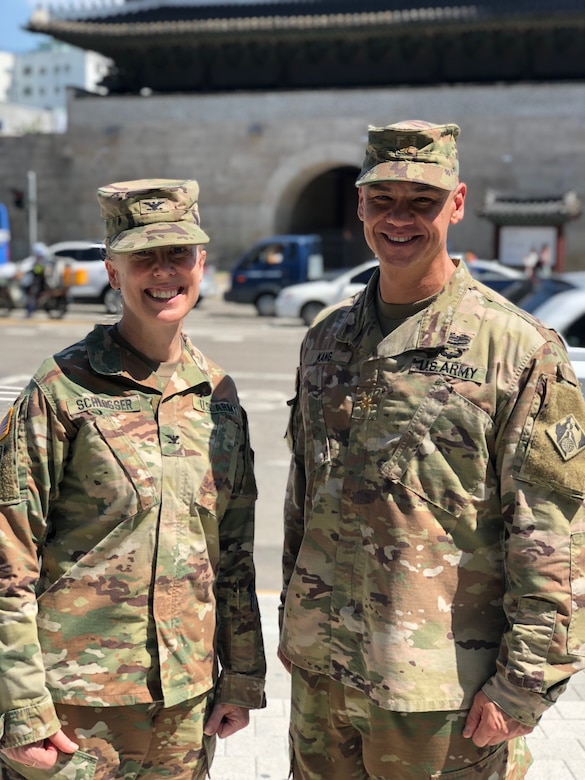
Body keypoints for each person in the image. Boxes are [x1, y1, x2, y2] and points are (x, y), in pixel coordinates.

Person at [278, 121, 585, 779]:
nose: (399, 218)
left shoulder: (516, 350)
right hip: (321, 681)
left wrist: (523, 685)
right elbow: (302, 499)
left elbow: (554, 538)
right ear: (359, 204)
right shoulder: (325, 342)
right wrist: (293, 623)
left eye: (421, 200)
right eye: (382, 199)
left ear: (457, 203)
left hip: (439, 695)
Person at [0, 178, 266, 779]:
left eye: (178, 254)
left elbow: (233, 553)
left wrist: (242, 675)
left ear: (202, 263)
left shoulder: (217, 397)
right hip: (74, 713)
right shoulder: (61, 390)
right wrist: (20, 709)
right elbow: (7, 558)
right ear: (113, 271)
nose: (163, 272)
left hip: (185, 703)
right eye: (143, 256)